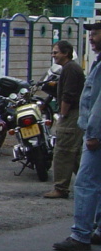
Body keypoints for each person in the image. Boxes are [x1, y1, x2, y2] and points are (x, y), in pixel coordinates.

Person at [54, 24, 101, 250]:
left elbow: (98, 103)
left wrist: (92, 133)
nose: (91, 38)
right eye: (90, 34)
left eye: (95, 34)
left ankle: (81, 234)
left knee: (85, 183)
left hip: (96, 133)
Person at [44, 40, 85, 199]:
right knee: (75, 153)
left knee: (63, 151)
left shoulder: (70, 69)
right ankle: (88, 182)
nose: (53, 55)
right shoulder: (69, 68)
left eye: (56, 52)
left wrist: (63, 114)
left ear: (66, 53)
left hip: (71, 114)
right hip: (75, 114)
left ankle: (60, 187)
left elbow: (68, 94)